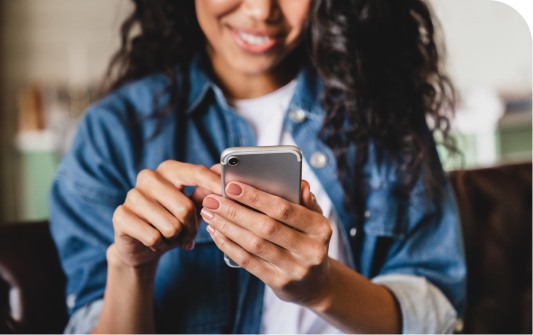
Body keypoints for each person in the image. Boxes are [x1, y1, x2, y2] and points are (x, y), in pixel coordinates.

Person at [49, 0, 466, 334]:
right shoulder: (113, 132)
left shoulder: (382, 110)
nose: (261, 10)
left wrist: (322, 288)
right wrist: (130, 267)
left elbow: (436, 316)